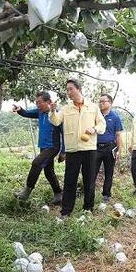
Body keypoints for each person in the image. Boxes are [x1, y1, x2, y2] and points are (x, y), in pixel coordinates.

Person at [49, 79, 105, 217]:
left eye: (71, 89)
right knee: (70, 181)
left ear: (78, 89)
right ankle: (66, 211)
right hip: (73, 149)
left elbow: (102, 124)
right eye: (67, 90)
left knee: (89, 180)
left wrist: (95, 128)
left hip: (89, 148)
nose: (68, 92)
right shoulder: (66, 108)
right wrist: (52, 110)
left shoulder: (92, 107)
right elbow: (56, 121)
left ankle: (88, 209)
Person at [12, 91, 64, 204]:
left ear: (48, 102)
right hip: (43, 146)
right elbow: (26, 113)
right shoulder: (40, 112)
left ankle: (26, 191)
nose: (37, 105)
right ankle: (59, 194)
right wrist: (19, 109)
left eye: (40, 102)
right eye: (36, 103)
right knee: (48, 172)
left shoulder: (57, 114)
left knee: (36, 163)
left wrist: (63, 152)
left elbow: (63, 133)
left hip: (53, 146)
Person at [95, 94, 123, 203]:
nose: (101, 103)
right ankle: (90, 192)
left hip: (110, 148)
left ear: (110, 103)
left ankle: (106, 194)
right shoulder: (96, 116)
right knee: (93, 171)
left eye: (103, 101)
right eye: (100, 101)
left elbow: (118, 135)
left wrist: (118, 151)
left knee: (109, 172)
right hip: (96, 148)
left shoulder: (115, 117)